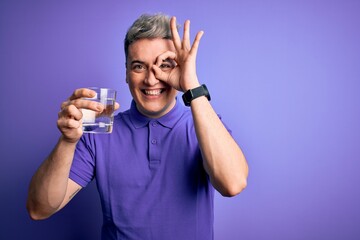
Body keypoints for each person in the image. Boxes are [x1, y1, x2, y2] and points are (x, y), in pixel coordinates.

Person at [26, 13, 249, 239]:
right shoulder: (100, 132)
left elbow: (233, 184)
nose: (151, 80)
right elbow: (38, 209)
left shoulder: (204, 126)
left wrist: (191, 85)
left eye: (165, 65)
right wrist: (67, 141)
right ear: (126, 73)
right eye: (139, 66)